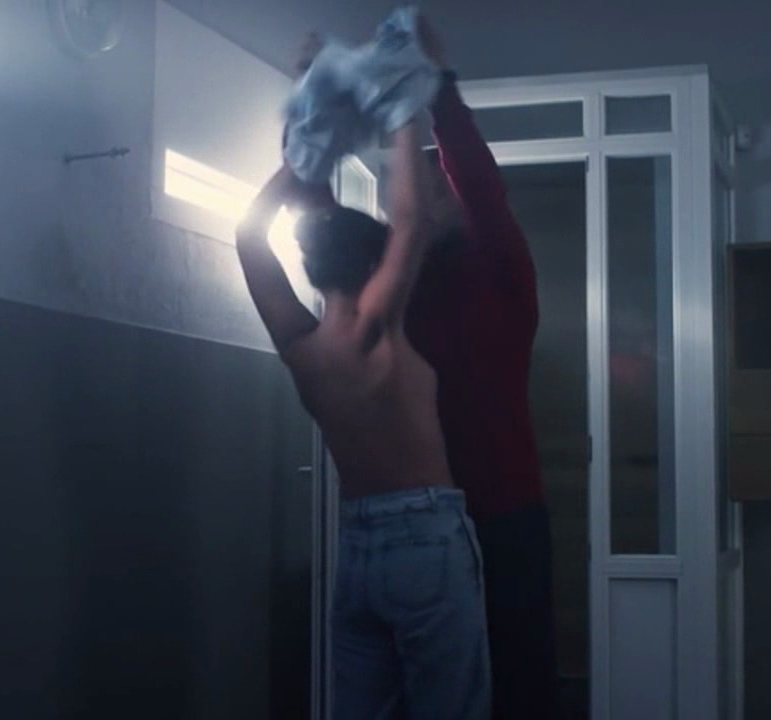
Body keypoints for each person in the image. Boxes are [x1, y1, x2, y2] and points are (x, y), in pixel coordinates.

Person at [294, 18, 561, 720]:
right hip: (423, 530)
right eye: (415, 183)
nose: (413, 190)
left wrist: (438, 88)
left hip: (503, 518)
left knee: (519, 690)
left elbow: (481, 185)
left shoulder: (502, 270)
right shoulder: (393, 287)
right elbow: (324, 229)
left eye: (434, 182)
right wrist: (312, 97)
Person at [235, 122, 491, 719]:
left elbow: (248, 238)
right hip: (426, 537)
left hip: (358, 548)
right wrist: (403, 117)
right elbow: (413, 222)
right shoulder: (377, 329)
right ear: (377, 265)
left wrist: (299, 161)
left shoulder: (301, 348)